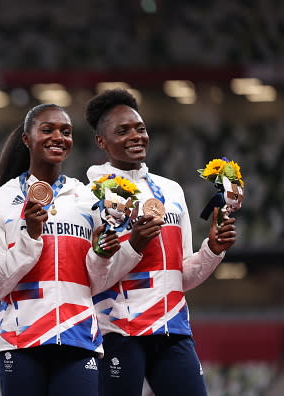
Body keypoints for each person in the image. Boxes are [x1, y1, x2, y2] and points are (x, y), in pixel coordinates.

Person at [84, 89, 237, 396]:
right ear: (102, 142)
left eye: (140, 128)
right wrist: (134, 245)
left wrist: (212, 250)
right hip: (119, 332)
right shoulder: (89, 197)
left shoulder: (171, 191)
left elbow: (182, 275)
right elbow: (92, 279)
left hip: (173, 330)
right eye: (122, 130)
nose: (135, 136)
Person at [0, 104, 124, 396]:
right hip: (20, 340)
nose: (58, 136)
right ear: (26, 139)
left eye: (66, 131)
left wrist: (101, 256)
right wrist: (30, 237)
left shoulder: (89, 200)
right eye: (47, 129)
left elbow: (98, 282)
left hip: (78, 336)